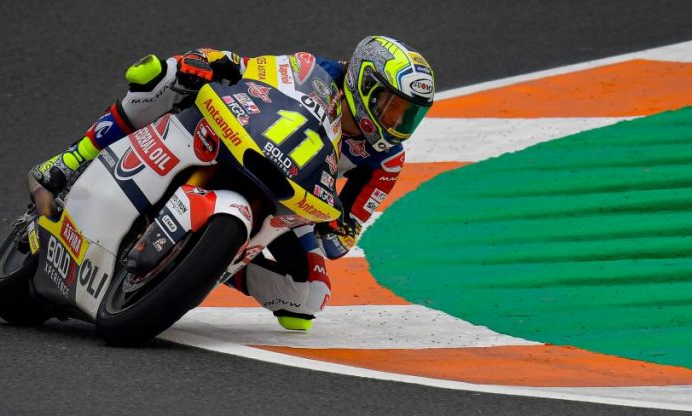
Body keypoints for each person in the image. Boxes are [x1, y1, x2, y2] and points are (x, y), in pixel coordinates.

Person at [28, 36, 435, 331]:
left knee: (308, 298)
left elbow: (342, 237)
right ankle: (70, 160)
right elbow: (240, 65)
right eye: (394, 107)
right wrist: (205, 62)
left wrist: (336, 226)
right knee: (157, 76)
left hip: (289, 198)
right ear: (365, 85)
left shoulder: (386, 159)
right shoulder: (311, 70)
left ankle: (202, 269)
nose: (398, 122)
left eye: (409, 115)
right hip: (234, 139)